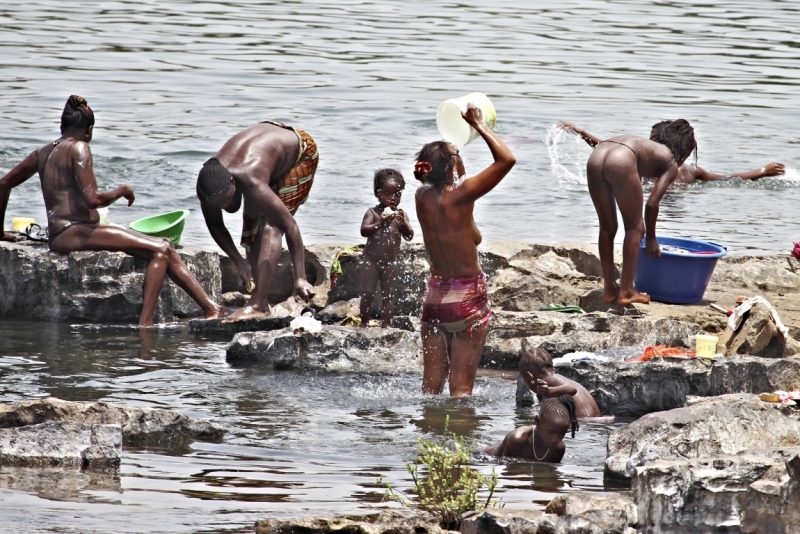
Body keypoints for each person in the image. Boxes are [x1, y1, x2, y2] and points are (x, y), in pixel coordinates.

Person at [0, 95, 226, 327]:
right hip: (73, 232)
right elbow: (92, 199)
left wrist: (0, 232)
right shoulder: (80, 148)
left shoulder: (42, 152)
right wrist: (122, 190)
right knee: (161, 248)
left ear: (63, 126)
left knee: (165, 246)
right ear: (88, 131)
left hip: (59, 234)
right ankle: (146, 325)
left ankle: (212, 308)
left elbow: (3, 184)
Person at [415, 104, 515, 397]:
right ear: (450, 166)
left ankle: (427, 437)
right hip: (466, 300)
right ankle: (461, 440)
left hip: (434, 299)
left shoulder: (422, 197)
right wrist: (479, 125)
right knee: (460, 390)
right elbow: (507, 159)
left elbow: (469, 234)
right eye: (458, 154)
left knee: (430, 390)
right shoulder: (461, 195)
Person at [196, 121, 318, 323]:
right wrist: (239, 262)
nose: (225, 206)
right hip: (266, 156)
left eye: (227, 199)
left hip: (299, 152)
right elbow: (215, 225)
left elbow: (289, 226)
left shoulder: (249, 178)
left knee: (272, 224)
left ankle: (258, 304)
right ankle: (260, 300)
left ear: (233, 182)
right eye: (219, 204)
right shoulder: (206, 187)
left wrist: (300, 278)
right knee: (253, 221)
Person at [584, 119, 697, 306]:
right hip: (622, 158)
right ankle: (626, 291)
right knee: (635, 228)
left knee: (607, 226)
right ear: (685, 149)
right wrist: (651, 237)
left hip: (597, 155)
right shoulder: (671, 162)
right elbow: (652, 204)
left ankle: (610, 288)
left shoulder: (651, 147)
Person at [558, 120, 784, 184]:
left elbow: (727, 178)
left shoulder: (690, 172)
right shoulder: (640, 167)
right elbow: (609, 149)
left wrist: (762, 171)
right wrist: (581, 132)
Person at [359, 168, 414, 328]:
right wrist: (381, 222)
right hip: (371, 261)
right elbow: (364, 231)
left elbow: (409, 236)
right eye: (388, 194)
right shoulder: (373, 213)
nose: (393, 198)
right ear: (377, 193)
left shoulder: (400, 215)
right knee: (368, 293)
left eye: (397, 194)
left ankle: (386, 324)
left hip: (390, 262)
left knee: (389, 295)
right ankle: (363, 323)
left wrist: (403, 225)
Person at [519, 346, 611, 420]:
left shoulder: (549, 381)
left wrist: (549, 391)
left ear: (530, 376)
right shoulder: (558, 378)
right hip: (595, 420)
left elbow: (571, 389)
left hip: (585, 423)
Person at [483, 396, 578, 463]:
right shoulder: (518, 439)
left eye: (562, 434)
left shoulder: (558, 449)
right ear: (537, 421)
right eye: (551, 432)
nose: (555, 439)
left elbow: (551, 475)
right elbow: (506, 472)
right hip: (485, 457)